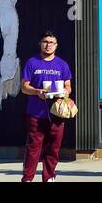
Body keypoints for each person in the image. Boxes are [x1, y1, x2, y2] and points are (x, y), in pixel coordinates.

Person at [20, 31, 72, 182]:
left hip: (56, 113)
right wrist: (36, 91)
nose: (48, 45)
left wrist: (63, 93)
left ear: (56, 45)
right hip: (35, 113)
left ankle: (49, 177)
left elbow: (68, 86)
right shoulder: (32, 62)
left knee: (53, 148)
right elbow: (24, 87)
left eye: (51, 42)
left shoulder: (62, 64)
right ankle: (28, 179)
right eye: (45, 42)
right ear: (40, 44)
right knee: (33, 148)